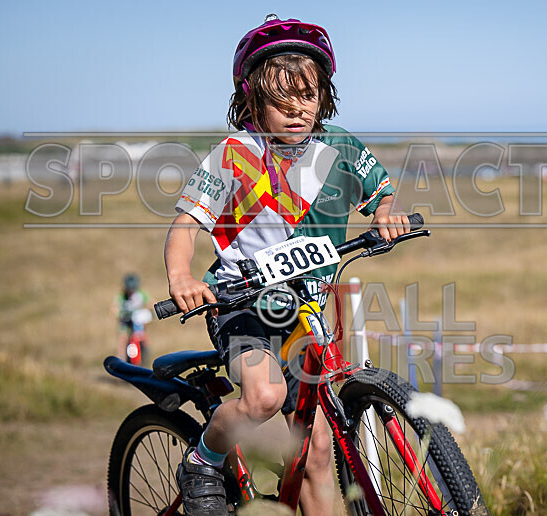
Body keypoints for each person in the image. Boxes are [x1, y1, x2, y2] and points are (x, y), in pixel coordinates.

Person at [164, 14, 410, 515]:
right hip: (244, 306)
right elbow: (185, 226)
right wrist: (182, 277)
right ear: (253, 100)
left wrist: (387, 215)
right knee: (264, 397)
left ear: (325, 96)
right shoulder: (231, 156)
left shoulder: (339, 147)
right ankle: (203, 460)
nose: (297, 111)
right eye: (281, 100)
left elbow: (381, 196)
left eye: (308, 96)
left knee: (319, 449)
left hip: (305, 312)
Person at [113, 273, 150, 362]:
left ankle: (145, 358)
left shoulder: (141, 294)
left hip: (137, 321)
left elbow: (151, 303)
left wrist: (149, 311)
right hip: (125, 321)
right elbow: (114, 308)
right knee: (123, 339)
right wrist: (120, 313)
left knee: (143, 337)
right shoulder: (122, 296)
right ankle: (121, 360)